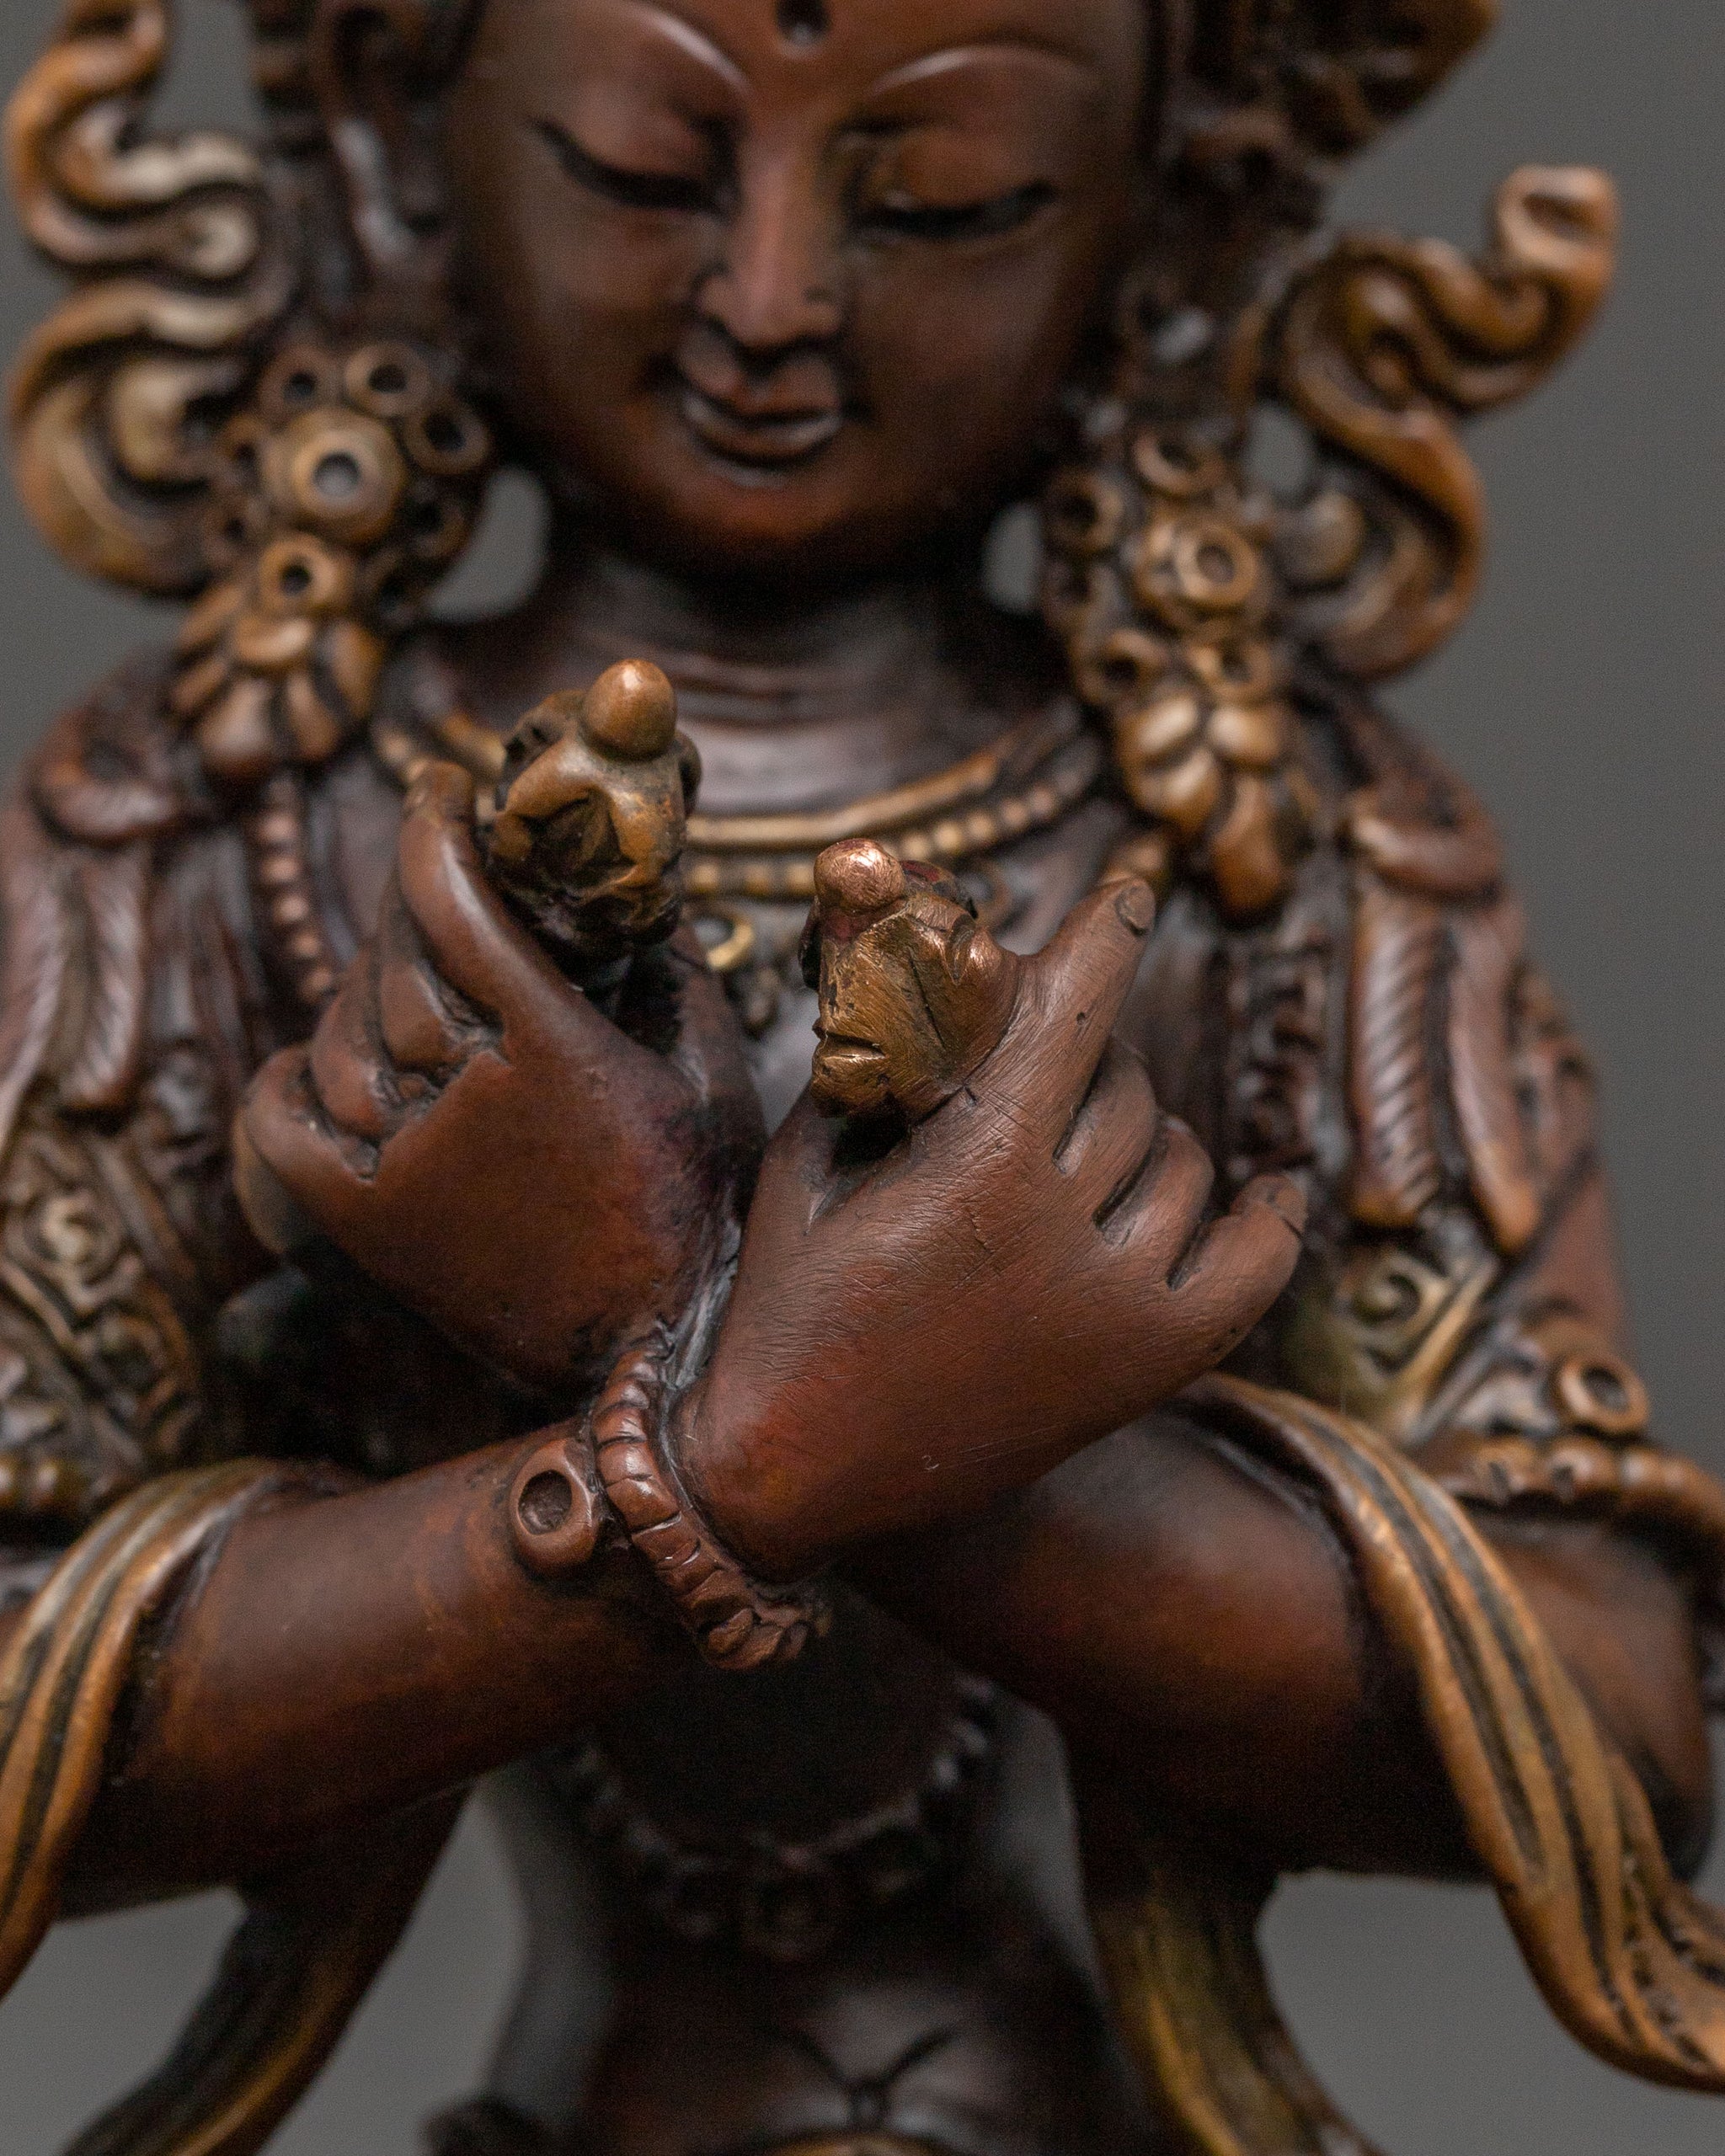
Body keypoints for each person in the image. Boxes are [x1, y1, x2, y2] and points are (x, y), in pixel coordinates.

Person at [0, 1, 1721, 2150]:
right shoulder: (212, 843)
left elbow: (1614, 1711)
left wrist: (804, 1417)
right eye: (641, 170)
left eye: (948, 200)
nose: (771, 300)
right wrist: (754, 1451)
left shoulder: (1275, 861)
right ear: (394, 151)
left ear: (1164, 218)